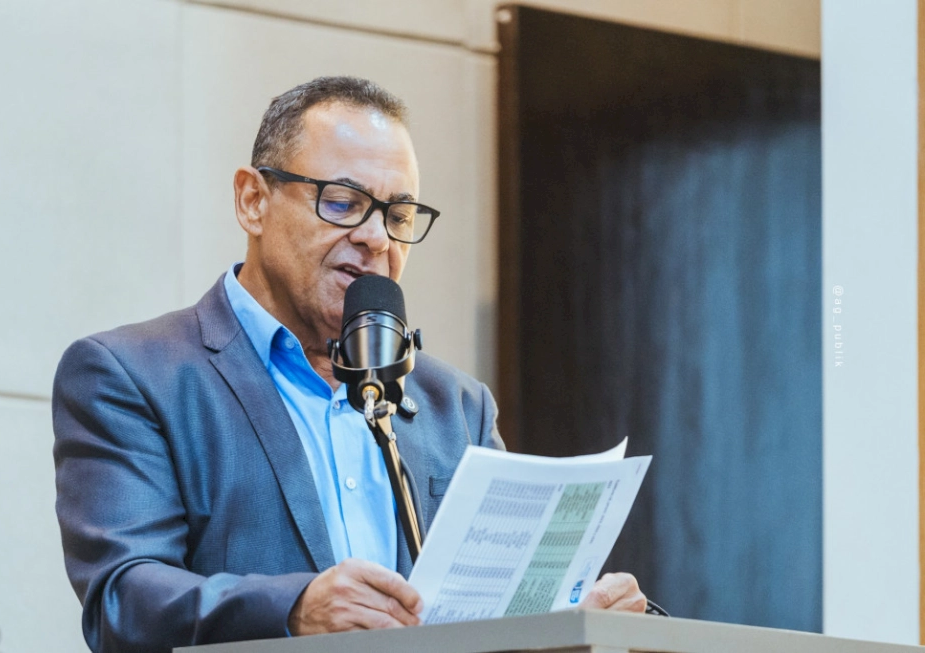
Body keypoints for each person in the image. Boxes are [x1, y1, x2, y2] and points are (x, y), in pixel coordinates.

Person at [52, 76, 646, 653]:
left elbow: (489, 614)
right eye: (343, 203)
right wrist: (294, 609)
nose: (376, 238)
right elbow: (121, 601)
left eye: (399, 216)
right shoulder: (132, 375)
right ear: (253, 200)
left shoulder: (457, 406)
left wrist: (565, 618)